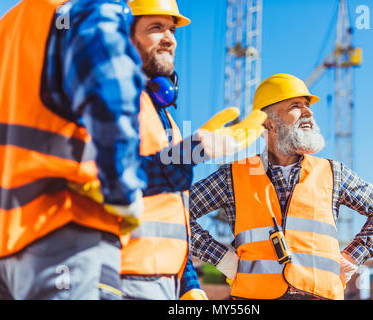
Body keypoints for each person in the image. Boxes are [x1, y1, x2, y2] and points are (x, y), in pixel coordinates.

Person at [189, 73, 373, 300]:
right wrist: (222, 259)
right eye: (296, 106)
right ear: (267, 122)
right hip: (254, 298)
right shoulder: (233, 175)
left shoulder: (332, 172)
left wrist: (352, 258)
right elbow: (176, 211)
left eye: (308, 106)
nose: (308, 112)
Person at [0, 0, 147, 299]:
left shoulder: (3, 29)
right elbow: (110, 93)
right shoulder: (88, 9)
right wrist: (123, 191)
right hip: (63, 228)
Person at [118, 0, 267, 300]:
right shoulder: (113, 102)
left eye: (172, 29)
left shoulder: (166, 120)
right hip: (121, 275)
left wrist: (189, 285)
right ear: (124, 36)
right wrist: (192, 152)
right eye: (155, 28)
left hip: (165, 281)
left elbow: (173, 215)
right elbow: (110, 177)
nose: (170, 38)